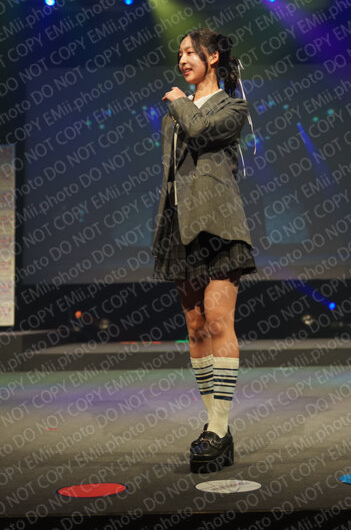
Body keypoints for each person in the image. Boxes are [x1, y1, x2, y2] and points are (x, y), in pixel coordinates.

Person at [153, 28, 256, 473]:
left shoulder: (233, 107)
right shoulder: (173, 116)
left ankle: (217, 427)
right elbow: (170, 174)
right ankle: (217, 430)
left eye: (190, 52)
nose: (182, 60)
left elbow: (198, 130)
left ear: (212, 57)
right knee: (195, 328)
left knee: (217, 320)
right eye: (179, 54)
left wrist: (179, 102)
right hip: (181, 226)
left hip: (219, 224)